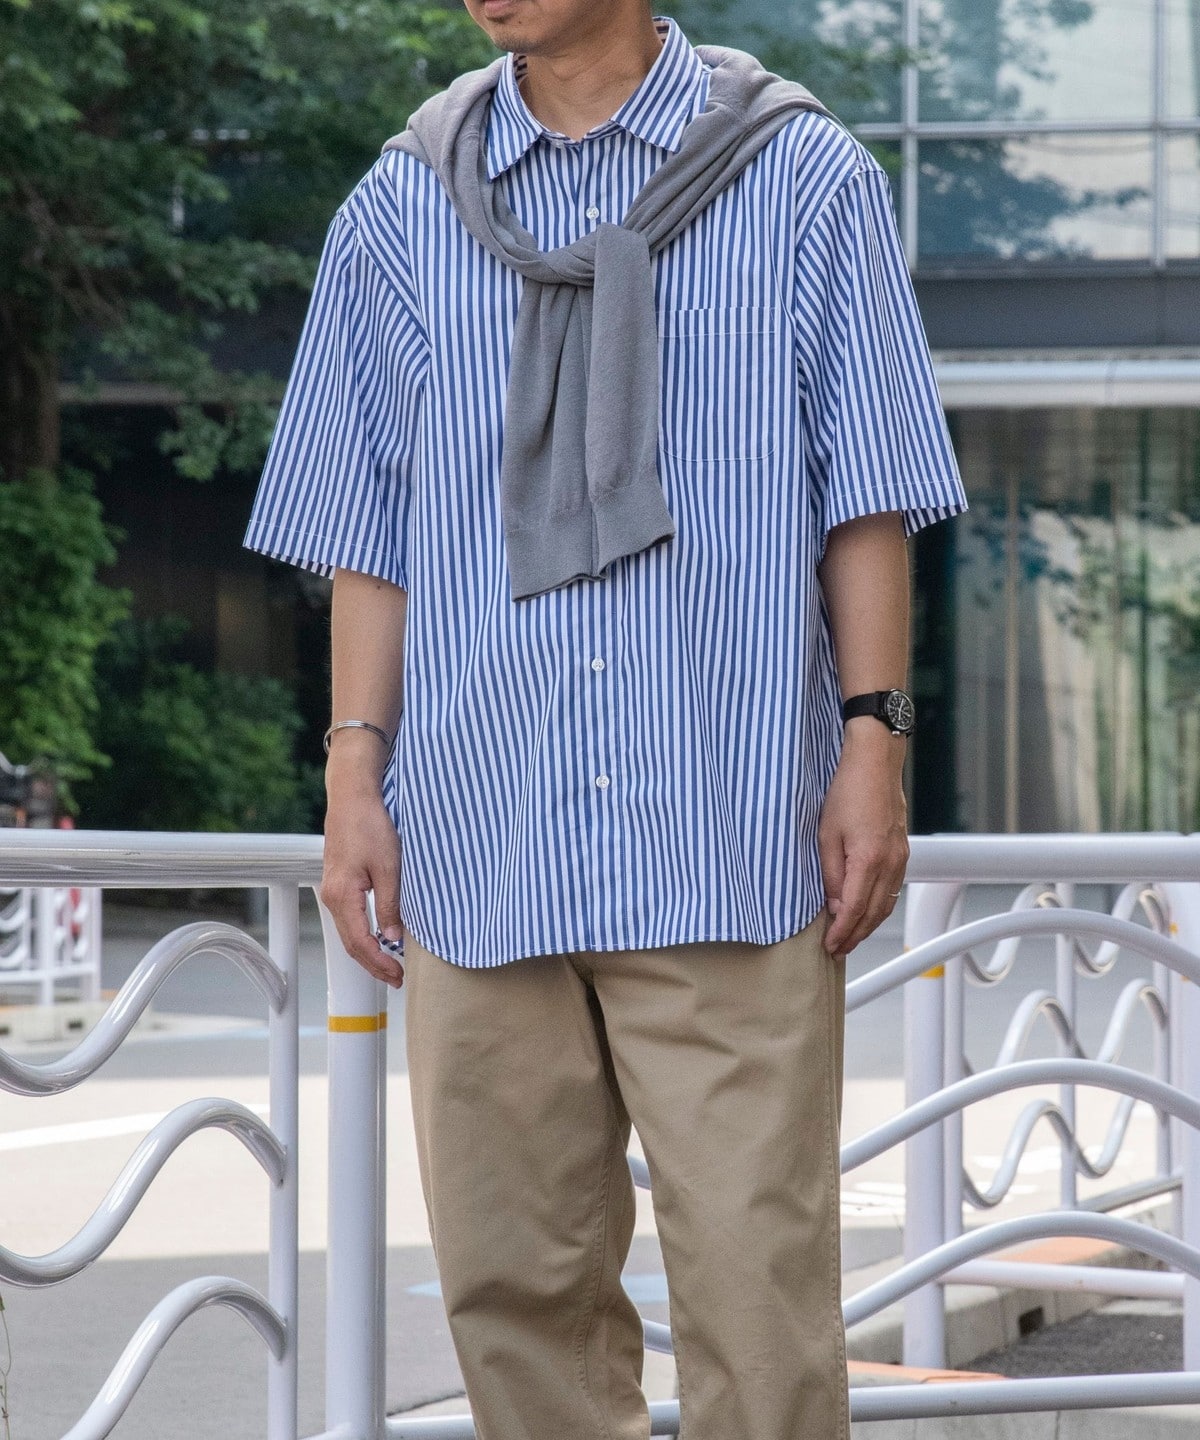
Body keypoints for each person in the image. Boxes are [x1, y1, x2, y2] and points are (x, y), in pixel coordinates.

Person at [245, 1, 966, 1435]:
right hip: (481, 843)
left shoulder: (802, 174)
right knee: (514, 1309)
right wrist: (353, 777)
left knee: (760, 1309)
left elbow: (867, 489)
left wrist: (875, 740)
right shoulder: (406, 200)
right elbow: (367, 525)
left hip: (727, 835)